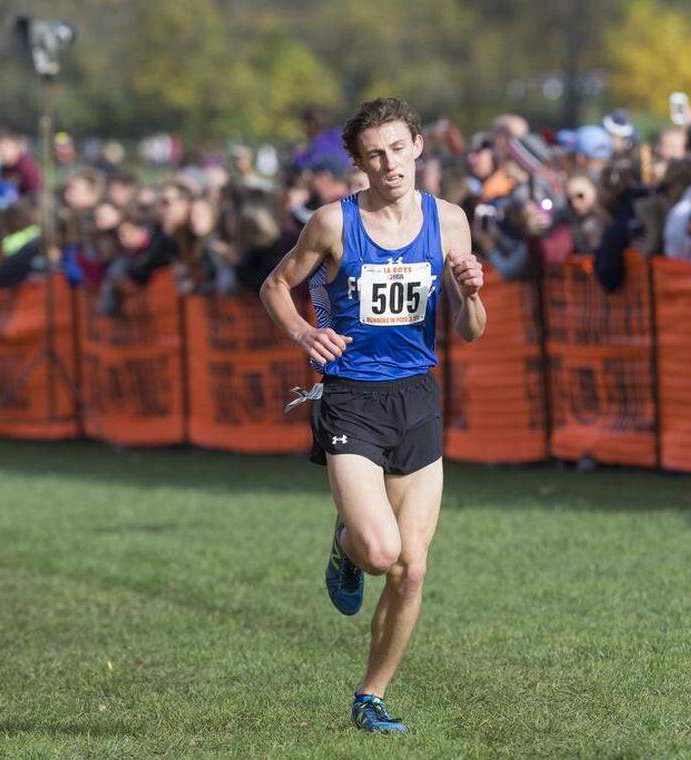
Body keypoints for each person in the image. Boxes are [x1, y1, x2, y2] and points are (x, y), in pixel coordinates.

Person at [259, 97, 485, 733]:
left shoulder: (450, 221)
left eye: (398, 149)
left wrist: (472, 295)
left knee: (412, 570)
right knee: (381, 552)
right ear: (360, 163)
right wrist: (304, 332)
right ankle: (347, 543)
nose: (390, 164)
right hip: (351, 397)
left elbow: (471, 330)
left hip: (416, 397)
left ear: (418, 146)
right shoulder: (334, 222)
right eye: (375, 155)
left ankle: (371, 696)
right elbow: (275, 285)